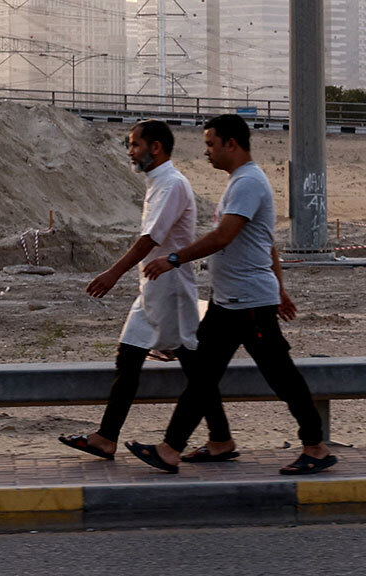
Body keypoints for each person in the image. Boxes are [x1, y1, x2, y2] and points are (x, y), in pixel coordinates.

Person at [126, 113, 335, 476]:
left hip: (248, 305)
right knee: (203, 376)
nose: (206, 152)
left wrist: (173, 258)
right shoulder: (240, 182)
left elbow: (224, 237)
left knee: (280, 376)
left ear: (231, 144)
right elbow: (266, 243)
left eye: (210, 144)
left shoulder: (248, 183)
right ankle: (194, 446)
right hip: (233, 302)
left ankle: (315, 447)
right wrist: (281, 289)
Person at [59, 119, 235, 463]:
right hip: (153, 289)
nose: (130, 152)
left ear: (155, 148)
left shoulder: (171, 185)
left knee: (193, 367)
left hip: (171, 290)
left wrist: (113, 273)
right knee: (130, 358)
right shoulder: (159, 182)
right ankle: (107, 437)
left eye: (134, 145)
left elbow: (150, 240)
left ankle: (220, 438)